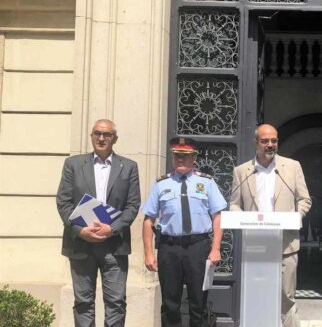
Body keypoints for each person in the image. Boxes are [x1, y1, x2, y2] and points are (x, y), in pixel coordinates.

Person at [55, 119, 141, 327]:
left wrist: (111, 228)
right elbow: (63, 201)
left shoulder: (128, 167)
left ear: (115, 139)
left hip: (114, 245)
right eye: (97, 133)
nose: (101, 138)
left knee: (116, 302)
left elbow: (133, 205)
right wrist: (80, 230)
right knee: (83, 302)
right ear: (92, 136)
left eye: (107, 135)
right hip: (81, 243)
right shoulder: (73, 164)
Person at [229, 124, 312, 327]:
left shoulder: (292, 167)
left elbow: (305, 200)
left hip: (285, 245)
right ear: (256, 143)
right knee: (256, 297)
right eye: (265, 141)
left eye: (274, 140)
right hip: (254, 246)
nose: (270, 145)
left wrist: (295, 215)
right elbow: (234, 204)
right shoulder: (242, 172)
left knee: (286, 298)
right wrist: (242, 219)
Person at [142, 137, 226, 327]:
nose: (181, 159)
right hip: (169, 248)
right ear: (172, 157)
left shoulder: (206, 183)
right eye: (177, 155)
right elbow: (148, 220)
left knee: (199, 302)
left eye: (185, 156)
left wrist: (216, 248)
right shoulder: (161, 184)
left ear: (194, 157)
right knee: (170, 303)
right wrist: (148, 253)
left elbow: (218, 217)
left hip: (198, 247)